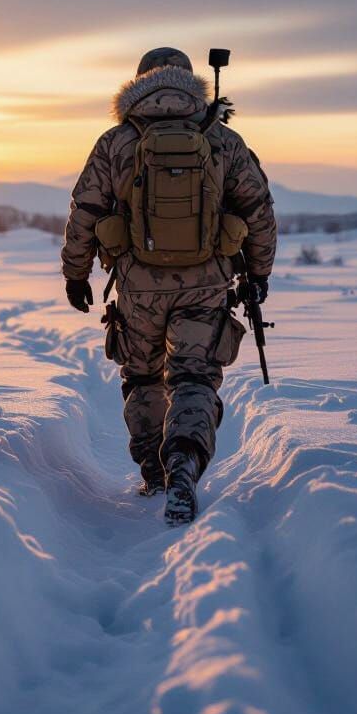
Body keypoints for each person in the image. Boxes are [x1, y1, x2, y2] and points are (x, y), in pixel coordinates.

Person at [61, 47, 277, 525]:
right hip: (207, 282)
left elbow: (85, 212)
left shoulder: (118, 140)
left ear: (140, 82)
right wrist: (259, 274)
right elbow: (258, 208)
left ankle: (154, 474)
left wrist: (76, 273)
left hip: (138, 286)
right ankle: (184, 465)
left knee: (142, 376)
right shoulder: (219, 137)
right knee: (194, 377)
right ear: (189, 80)